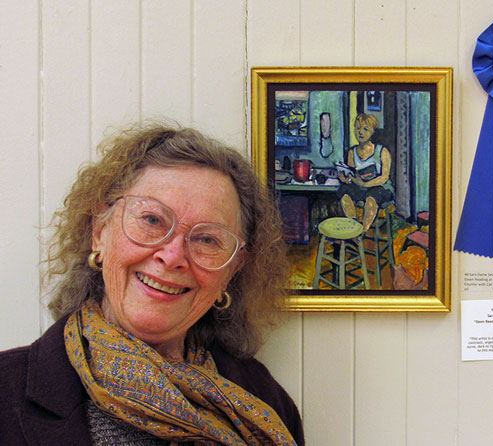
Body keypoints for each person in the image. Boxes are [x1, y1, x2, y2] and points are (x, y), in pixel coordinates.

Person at [0, 122, 304, 445]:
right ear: (99, 231)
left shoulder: (269, 405)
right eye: (152, 220)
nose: (173, 256)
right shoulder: (6, 394)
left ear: (231, 270)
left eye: (206, 239)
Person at [337, 113, 394, 232]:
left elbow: (384, 178)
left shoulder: (382, 151)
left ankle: (363, 231)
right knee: (344, 193)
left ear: (372, 131)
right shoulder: (352, 152)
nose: (360, 132)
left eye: (365, 129)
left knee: (371, 198)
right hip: (360, 187)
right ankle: (353, 226)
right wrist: (346, 179)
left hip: (379, 188)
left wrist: (364, 184)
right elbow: (352, 175)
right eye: (357, 128)